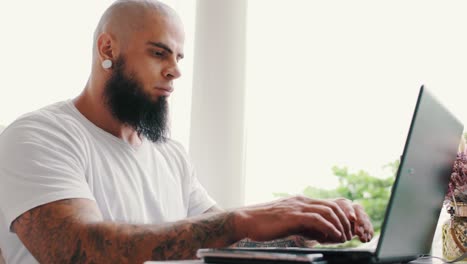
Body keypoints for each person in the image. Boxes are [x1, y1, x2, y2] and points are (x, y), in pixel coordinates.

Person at [0, 0, 374, 263]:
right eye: (158, 53)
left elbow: (219, 241)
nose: (175, 70)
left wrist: (301, 225)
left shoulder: (169, 154)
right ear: (107, 47)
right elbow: (76, 251)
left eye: (178, 57)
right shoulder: (37, 136)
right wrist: (241, 219)